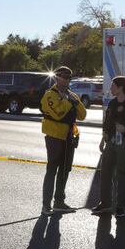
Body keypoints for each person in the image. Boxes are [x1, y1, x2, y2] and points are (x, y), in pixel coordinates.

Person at [93, 76, 125, 218]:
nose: (110, 88)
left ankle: (121, 207)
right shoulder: (113, 103)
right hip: (111, 142)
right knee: (105, 172)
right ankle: (105, 203)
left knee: (122, 175)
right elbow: (107, 122)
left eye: (113, 86)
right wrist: (103, 139)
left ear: (121, 87)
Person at [39, 66, 86, 215]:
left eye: (69, 77)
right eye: (63, 76)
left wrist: (74, 102)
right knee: (52, 170)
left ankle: (59, 201)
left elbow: (83, 115)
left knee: (65, 170)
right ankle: (46, 205)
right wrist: (67, 102)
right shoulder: (50, 95)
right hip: (54, 137)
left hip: (68, 137)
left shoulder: (71, 95)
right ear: (57, 77)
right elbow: (58, 113)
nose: (66, 80)